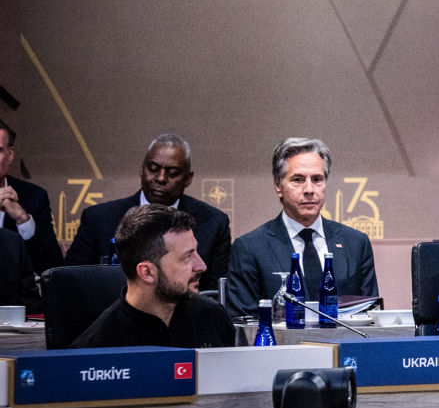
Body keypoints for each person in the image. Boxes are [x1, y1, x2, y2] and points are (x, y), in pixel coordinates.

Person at [225, 138, 378, 316]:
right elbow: (243, 322)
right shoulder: (250, 248)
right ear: (278, 185)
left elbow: (370, 314)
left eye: (317, 179)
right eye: (298, 180)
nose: (309, 189)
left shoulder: (356, 243)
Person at [66, 133, 230, 289]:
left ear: (188, 178)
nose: (160, 178)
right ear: (142, 170)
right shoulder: (99, 218)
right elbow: (71, 283)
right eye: (153, 169)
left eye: (172, 173)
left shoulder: (213, 223)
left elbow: (215, 293)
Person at [71, 204, 235, 348]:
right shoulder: (97, 347)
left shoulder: (213, 316)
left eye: (196, 251)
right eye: (187, 257)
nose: (202, 266)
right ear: (147, 272)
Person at [0, 118, 64, 274]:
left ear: (10, 154)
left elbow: (53, 267)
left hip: (14, 294)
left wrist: (23, 219)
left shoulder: (33, 197)